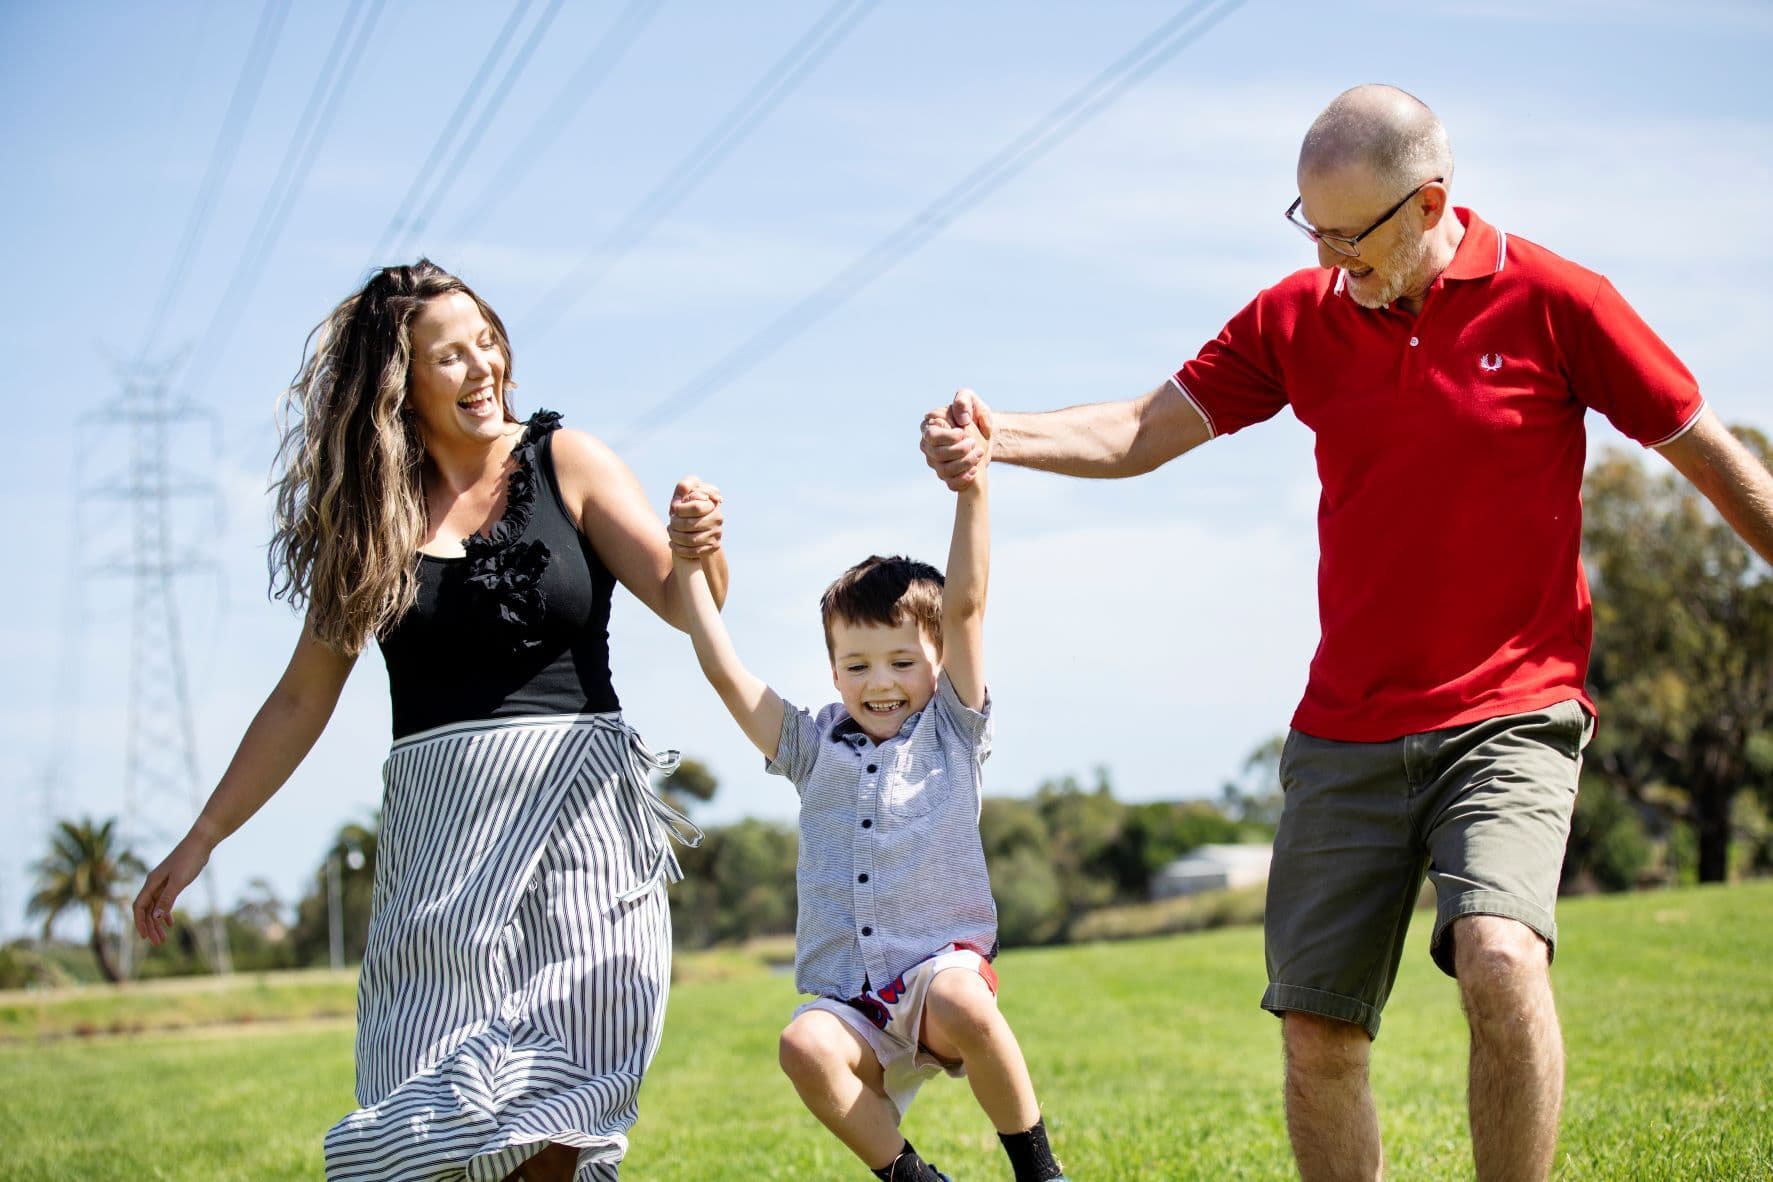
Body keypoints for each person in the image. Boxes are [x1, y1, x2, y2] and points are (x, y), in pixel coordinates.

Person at [920, 85, 1773, 1182]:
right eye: (1308, 227)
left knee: (1500, 956)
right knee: (1319, 1030)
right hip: (1348, 729)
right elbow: (1140, 430)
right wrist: (1001, 438)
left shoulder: (1562, 303)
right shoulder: (1299, 315)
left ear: (1430, 203)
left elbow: (1708, 454)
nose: (1328, 257)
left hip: (1511, 712)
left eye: (1350, 234)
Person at [131, 260, 727, 1182]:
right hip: (443, 836)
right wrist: (204, 835)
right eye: (450, 356)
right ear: (399, 385)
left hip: (583, 816)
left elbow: (689, 603)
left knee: (572, 1083)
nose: (483, 367)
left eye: (487, 341)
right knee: (437, 1087)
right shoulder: (371, 518)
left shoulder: (567, 461)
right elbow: (301, 696)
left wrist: (697, 553)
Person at [666, 435, 1067, 1182]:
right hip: (852, 999)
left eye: (902, 662)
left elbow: (968, 604)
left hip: (937, 976)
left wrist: (971, 487)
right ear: (831, 669)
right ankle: (915, 1180)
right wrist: (689, 565)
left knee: (964, 1002)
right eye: (856, 665)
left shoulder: (953, 729)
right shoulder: (811, 747)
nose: (879, 682)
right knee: (802, 1047)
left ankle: (1041, 1173)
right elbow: (724, 673)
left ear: (937, 659)